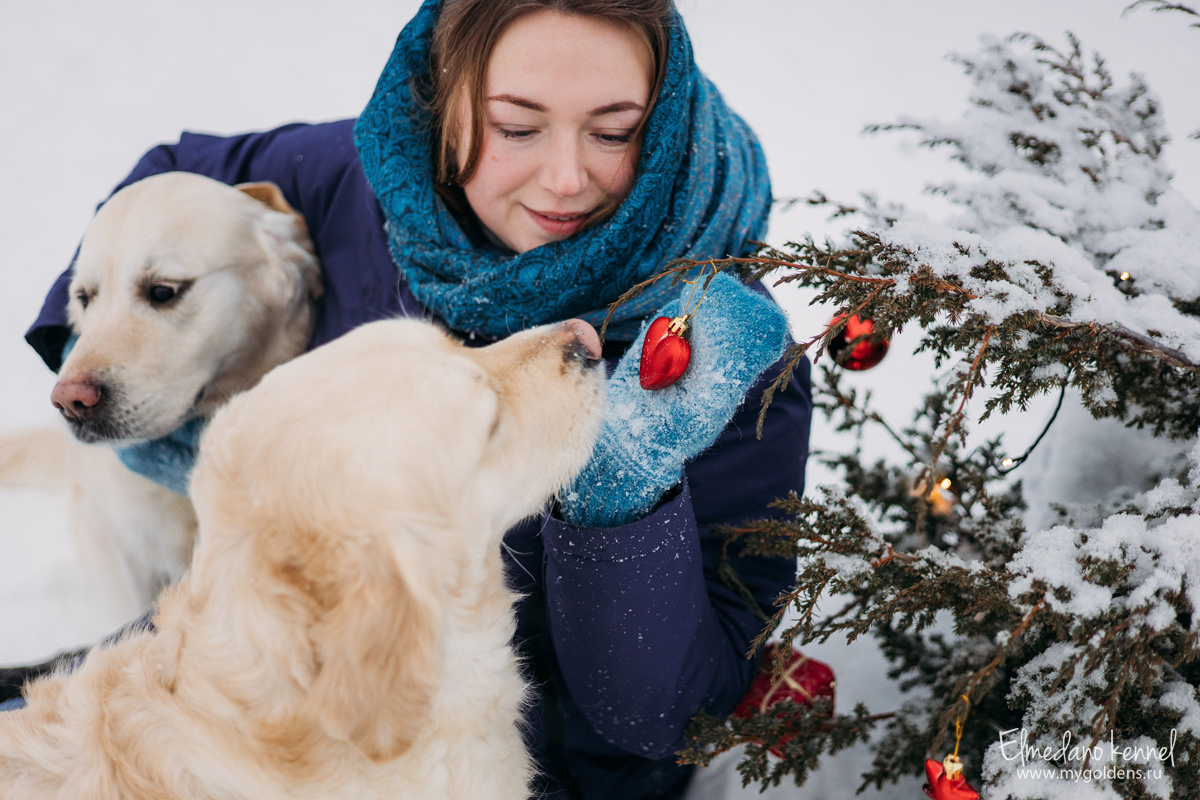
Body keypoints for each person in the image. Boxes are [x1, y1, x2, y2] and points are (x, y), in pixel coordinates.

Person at [13, 1, 813, 798]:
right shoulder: (369, 189)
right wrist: (121, 379)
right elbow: (168, 181)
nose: (567, 178)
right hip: (249, 699)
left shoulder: (723, 357)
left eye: (612, 131)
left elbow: (673, 719)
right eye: (517, 126)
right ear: (445, 106)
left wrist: (624, 488)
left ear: (664, 123)